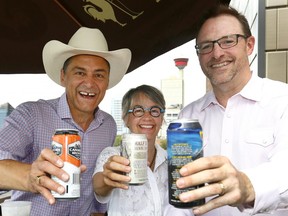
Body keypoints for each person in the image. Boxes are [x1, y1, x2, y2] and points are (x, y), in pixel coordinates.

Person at [0, 27, 131, 216]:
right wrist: (29, 176)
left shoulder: (109, 125)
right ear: (63, 76)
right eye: (80, 73)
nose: (89, 83)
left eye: (99, 75)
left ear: (107, 81)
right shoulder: (31, 114)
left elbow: (96, 190)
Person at [175, 4, 288, 216]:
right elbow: (181, 192)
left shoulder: (283, 100)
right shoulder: (187, 116)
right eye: (206, 46)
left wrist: (247, 185)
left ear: (249, 45)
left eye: (228, 41)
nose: (217, 53)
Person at [93, 85, 192, 216]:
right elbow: (99, 188)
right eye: (138, 110)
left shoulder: (172, 161)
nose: (147, 117)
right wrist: (108, 178)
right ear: (125, 118)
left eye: (155, 111)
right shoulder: (112, 154)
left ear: (162, 119)